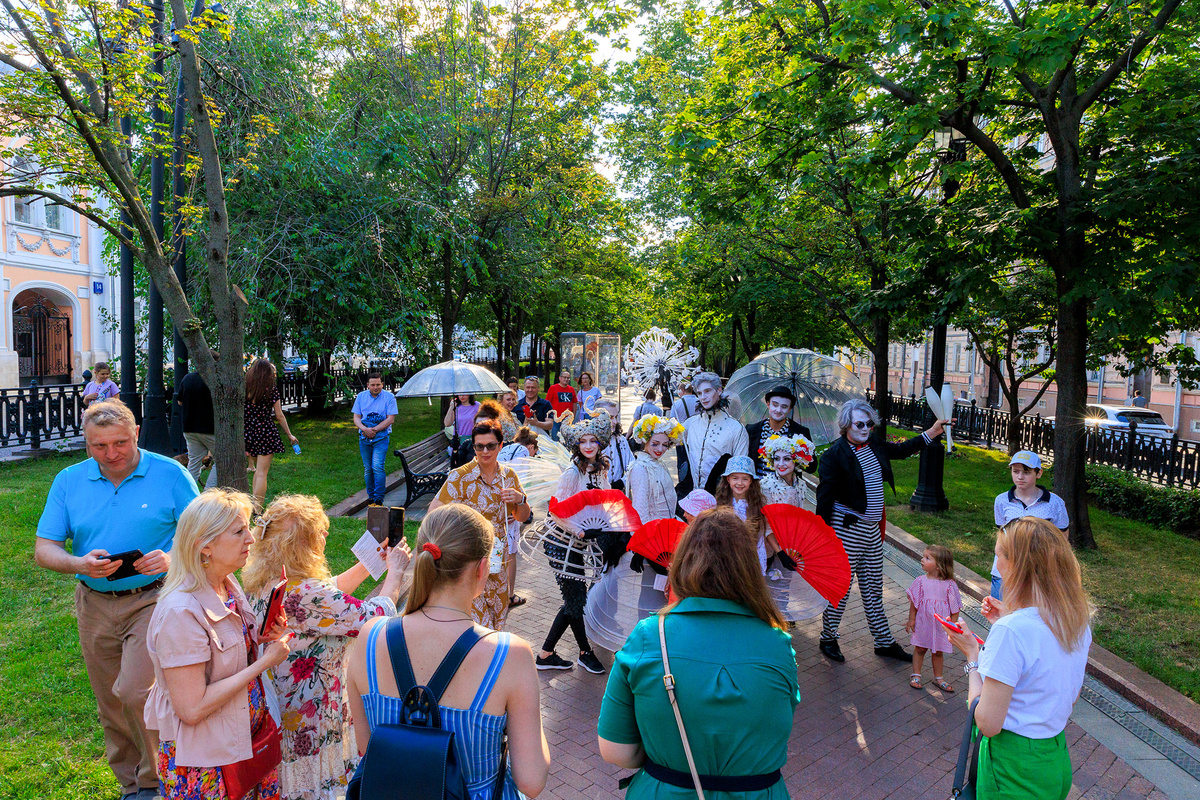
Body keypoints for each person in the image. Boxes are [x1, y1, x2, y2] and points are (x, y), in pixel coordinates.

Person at [35, 400, 199, 800]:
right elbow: (44, 548)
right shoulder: (69, 480)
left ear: (137, 433)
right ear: (86, 444)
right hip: (93, 601)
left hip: (155, 598)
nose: (111, 454)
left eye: (120, 443)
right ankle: (131, 784)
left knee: (135, 690)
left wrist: (174, 555)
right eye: (99, 446)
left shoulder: (170, 473)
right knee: (110, 699)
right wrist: (78, 562)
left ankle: (157, 779)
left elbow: (205, 533)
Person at [345, 504, 550, 800]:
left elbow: (368, 747)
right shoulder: (510, 654)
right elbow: (531, 781)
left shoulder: (370, 636)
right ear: (482, 568)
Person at [597, 508, 799, 799]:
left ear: (682, 562)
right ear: (749, 568)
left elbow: (614, 748)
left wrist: (667, 756)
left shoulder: (650, 636)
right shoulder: (778, 643)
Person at [244, 495, 412, 800]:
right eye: (319, 531)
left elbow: (330, 596)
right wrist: (397, 573)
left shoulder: (269, 579)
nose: (326, 535)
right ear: (302, 542)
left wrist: (369, 563)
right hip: (314, 714)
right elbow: (373, 619)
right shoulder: (308, 592)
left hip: (284, 706)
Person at [144, 488, 292, 800]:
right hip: (206, 764)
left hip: (242, 744)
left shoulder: (225, 584)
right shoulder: (180, 613)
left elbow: (223, 660)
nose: (251, 539)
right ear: (205, 546)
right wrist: (264, 663)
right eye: (239, 532)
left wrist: (259, 642)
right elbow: (192, 708)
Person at [947, 518, 1093, 800]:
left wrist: (973, 658)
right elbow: (1062, 692)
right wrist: (1009, 619)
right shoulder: (1075, 621)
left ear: (1017, 565)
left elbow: (988, 723)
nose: (996, 563)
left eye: (998, 554)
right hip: (1054, 758)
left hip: (1012, 768)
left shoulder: (1012, 630)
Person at [815, 398, 949, 663]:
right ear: (846, 425)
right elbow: (824, 498)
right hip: (846, 531)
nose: (866, 429)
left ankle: (883, 642)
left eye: (869, 424)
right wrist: (823, 537)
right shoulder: (834, 456)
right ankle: (828, 637)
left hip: (872, 531)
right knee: (840, 588)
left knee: (873, 587)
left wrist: (932, 432)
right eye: (860, 424)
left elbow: (900, 450)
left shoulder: (873, 443)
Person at [430, 419, 532, 628]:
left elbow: (522, 517)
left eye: (491, 446)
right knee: (476, 624)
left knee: (498, 619)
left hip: (498, 561)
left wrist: (519, 499)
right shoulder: (460, 477)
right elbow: (434, 512)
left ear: (501, 445)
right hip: (469, 562)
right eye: (479, 446)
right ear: (473, 446)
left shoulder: (508, 476)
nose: (485, 451)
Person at [537, 411, 611, 674]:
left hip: (581, 542)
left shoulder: (601, 469)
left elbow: (605, 502)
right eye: (583, 441)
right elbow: (556, 511)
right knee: (576, 598)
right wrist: (579, 531)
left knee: (575, 599)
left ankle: (546, 653)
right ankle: (584, 652)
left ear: (600, 443)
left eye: (593, 440)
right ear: (576, 446)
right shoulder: (571, 472)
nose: (589, 445)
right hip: (560, 541)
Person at [992, 451, 1069, 600]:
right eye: (1016, 471)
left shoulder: (1055, 503)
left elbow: (1062, 537)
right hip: (1005, 571)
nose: (1020, 477)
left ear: (1038, 473)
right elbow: (1001, 534)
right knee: (1001, 614)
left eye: (1026, 472)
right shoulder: (1002, 501)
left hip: (1039, 572)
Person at [904, 544, 961, 692]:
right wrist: (912, 619)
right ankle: (916, 675)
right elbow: (914, 603)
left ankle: (938, 677)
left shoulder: (950, 585)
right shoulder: (920, 581)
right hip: (924, 621)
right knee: (920, 648)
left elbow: (955, 607)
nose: (922, 560)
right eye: (923, 557)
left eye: (927, 558)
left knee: (938, 651)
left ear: (939, 566)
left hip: (940, 625)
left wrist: (953, 625)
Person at [682, 372, 749, 494]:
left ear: (718, 391)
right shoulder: (690, 424)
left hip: (721, 497)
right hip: (693, 496)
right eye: (700, 393)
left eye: (707, 391)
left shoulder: (736, 428)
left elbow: (741, 469)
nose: (703, 397)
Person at [245, 358, 298, 506]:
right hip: (266, 432)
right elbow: (279, 415)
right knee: (262, 472)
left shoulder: (245, 387)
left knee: (257, 471)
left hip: (249, 432)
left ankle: (253, 506)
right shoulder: (271, 389)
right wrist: (289, 434)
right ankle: (257, 510)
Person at [498, 425, 539, 609]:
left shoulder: (508, 447)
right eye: (535, 452)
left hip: (497, 499)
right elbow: (518, 479)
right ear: (531, 447)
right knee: (511, 551)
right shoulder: (522, 451)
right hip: (509, 504)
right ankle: (509, 595)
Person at [626, 415, 683, 524]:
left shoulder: (659, 463)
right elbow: (640, 510)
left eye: (665, 445)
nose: (660, 449)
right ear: (645, 441)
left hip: (668, 525)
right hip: (654, 530)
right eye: (655, 444)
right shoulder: (640, 468)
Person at [352, 373, 398, 508]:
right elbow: (356, 418)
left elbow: (391, 419)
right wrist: (364, 430)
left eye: (378, 384)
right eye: (372, 385)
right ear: (368, 385)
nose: (375, 387)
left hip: (381, 438)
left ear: (382, 384)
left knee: (377, 466)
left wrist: (374, 430)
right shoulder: (361, 397)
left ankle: (378, 499)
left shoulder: (389, 398)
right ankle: (370, 497)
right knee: (368, 469)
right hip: (364, 437)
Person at [746, 386, 814, 476]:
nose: (778, 410)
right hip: (758, 486)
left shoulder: (799, 432)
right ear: (768, 404)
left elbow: (812, 468)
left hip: (787, 487)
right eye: (775, 405)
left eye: (784, 407)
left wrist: (800, 455)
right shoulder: (753, 430)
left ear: (790, 409)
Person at [176, 355, 219, 489]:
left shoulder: (187, 378)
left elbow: (179, 401)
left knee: (193, 463)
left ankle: (187, 492)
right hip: (209, 428)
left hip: (189, 427)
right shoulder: (214, 380)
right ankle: (208, 492)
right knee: (222, 460)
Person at [453, 399, 519, 467]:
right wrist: (455, 452)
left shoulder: (506, 447)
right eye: (478, 425)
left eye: (485, 427)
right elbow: (457, 469)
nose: (485, 451)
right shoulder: (467, 445)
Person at [759, 434, 815, 510]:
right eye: (777, 459)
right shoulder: (765, 486)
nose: (781, 464)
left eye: (787, 459)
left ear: (796, 462)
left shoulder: (801, 485)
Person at [598, 399, 634, 491]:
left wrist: (622, 482)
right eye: (610, 417)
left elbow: (633, 467)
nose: (615, 422)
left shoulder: (620, 440)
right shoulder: (589, 443)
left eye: (616, 417)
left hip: (618, 496)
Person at [546, 370, 578, 440]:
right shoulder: (553, 388)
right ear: (560, 378)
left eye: (568, 378)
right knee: (556, 438)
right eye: (564, 377)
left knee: (567, 438)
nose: (566, 379)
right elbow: (547, 403)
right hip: (556, 419)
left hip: (568, 419)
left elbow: (574, 403)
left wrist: (573, 415)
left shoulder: (571, 389)